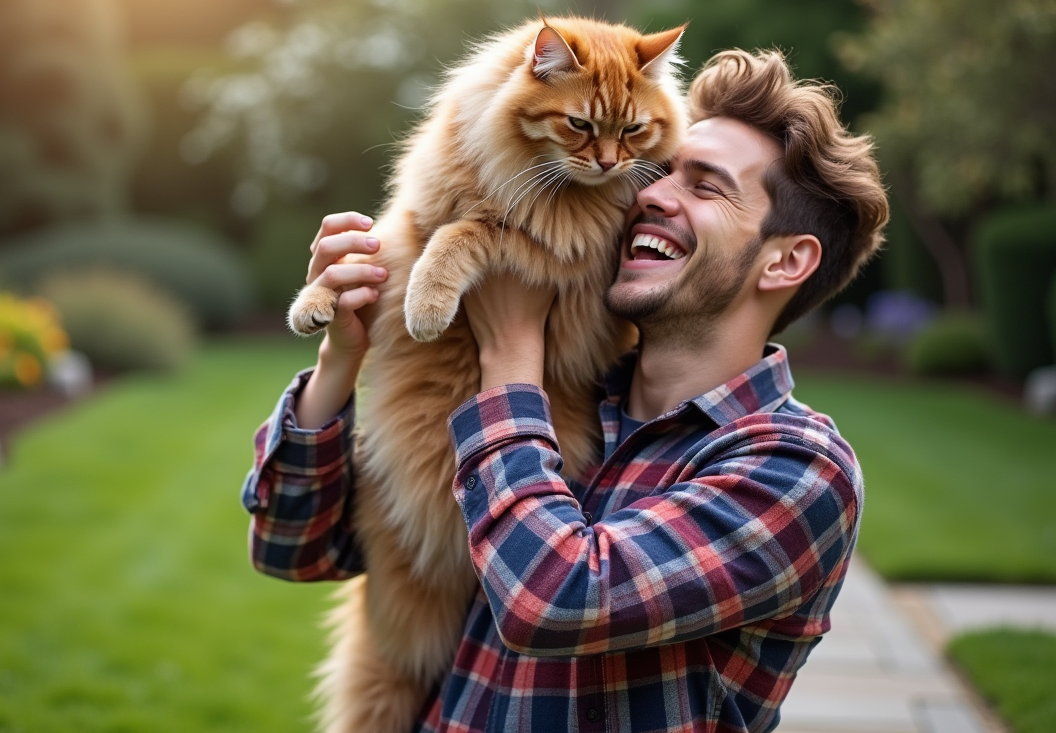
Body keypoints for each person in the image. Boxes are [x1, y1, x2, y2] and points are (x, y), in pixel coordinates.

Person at [241, 49, 889, 732]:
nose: (648, 193)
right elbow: (294, 548)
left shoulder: (796, 470)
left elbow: (554, 598)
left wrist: (511, 347)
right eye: (663, 170)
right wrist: (341, 357)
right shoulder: (573, 394)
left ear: (787, 260)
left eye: (705, 187)